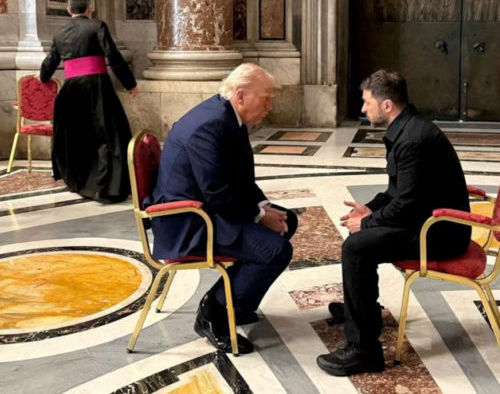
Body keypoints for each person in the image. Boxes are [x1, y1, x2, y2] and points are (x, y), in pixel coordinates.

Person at [316, 69, 471, 376]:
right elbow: (396, 193)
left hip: (440, 233)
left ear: (387, 105)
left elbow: (406, 205)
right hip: (427, 221)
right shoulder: (408, 129)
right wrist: (369, 210)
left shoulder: (412, 139)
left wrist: (368, 224)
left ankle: (364, 351)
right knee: (360, 243)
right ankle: (364, 313)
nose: (363, 109)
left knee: (357, 247)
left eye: (367, 102)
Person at [147, 63, 298, 354]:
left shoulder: (227, 115)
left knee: (287, 221)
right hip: (188, 221)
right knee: (275, 251)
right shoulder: (211, 125)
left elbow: (239, 178)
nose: (270, 105)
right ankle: (213, 312)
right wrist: (260, 215)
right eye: (265, 98)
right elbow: (217, 193)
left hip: (208, 208)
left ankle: (237, 302)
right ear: (240, 95)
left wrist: (263, 206)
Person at [40, 0, 138, 203]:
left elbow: (50, 61)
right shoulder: (97, 26)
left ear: (69, 10)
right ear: (89, 9)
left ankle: (79, 182)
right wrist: (129, 83)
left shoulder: (59, 33)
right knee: (108, 134)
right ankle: (107, 186)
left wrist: (43, 78)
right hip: (97, 86)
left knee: (78, 136)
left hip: (71, 89)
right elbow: (113, 56)